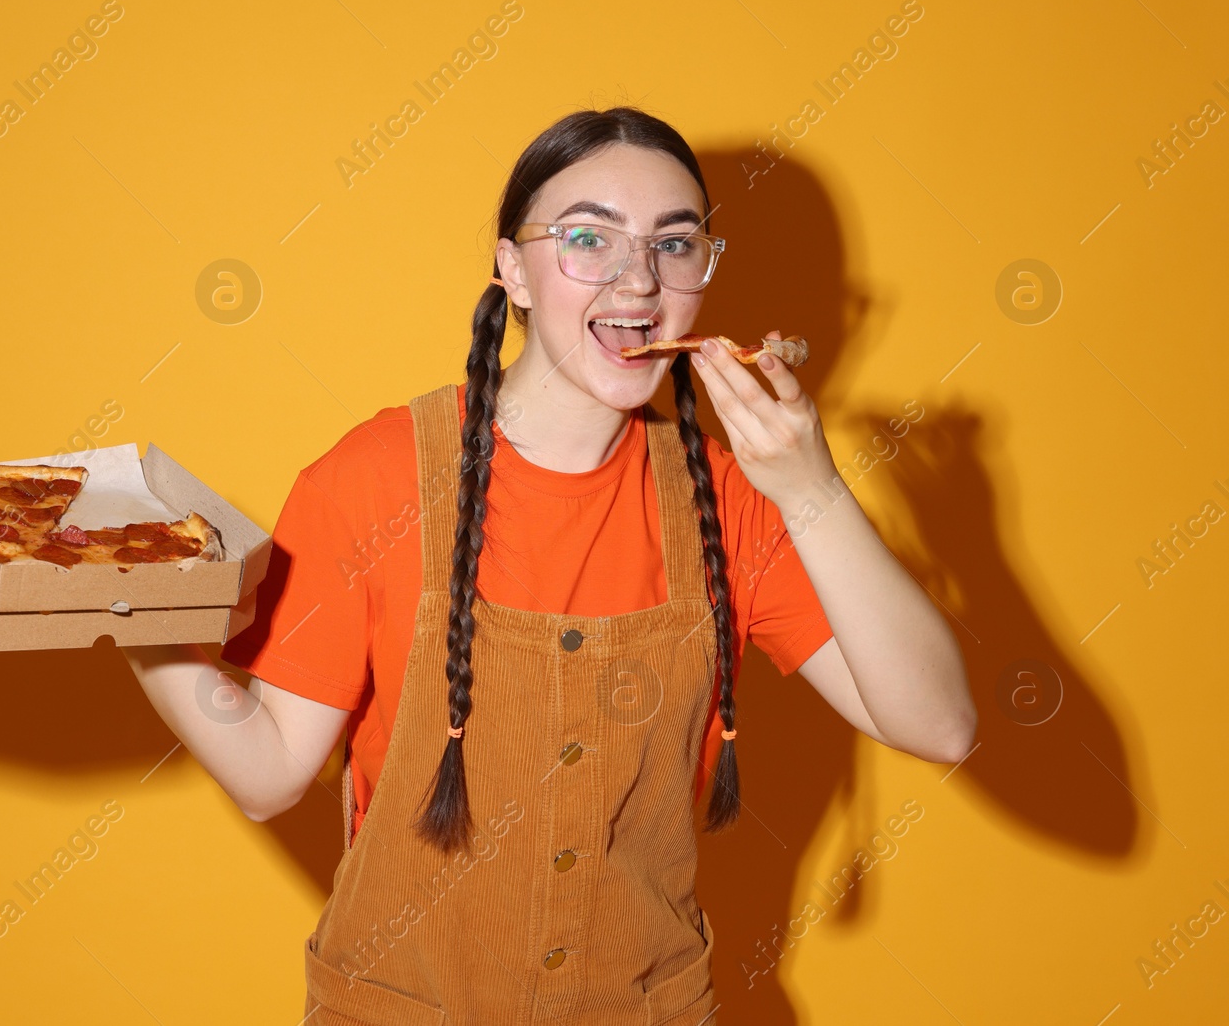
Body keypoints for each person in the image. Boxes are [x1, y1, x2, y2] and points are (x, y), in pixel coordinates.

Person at [124, 106, 975, 1023]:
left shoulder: (727, 497)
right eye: (586, 238)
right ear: (513, 271)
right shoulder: (373, 479)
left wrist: (813, 491)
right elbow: (268, 773)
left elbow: (940, 725)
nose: (638, 278)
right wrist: (125, 605)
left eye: (675, 244)